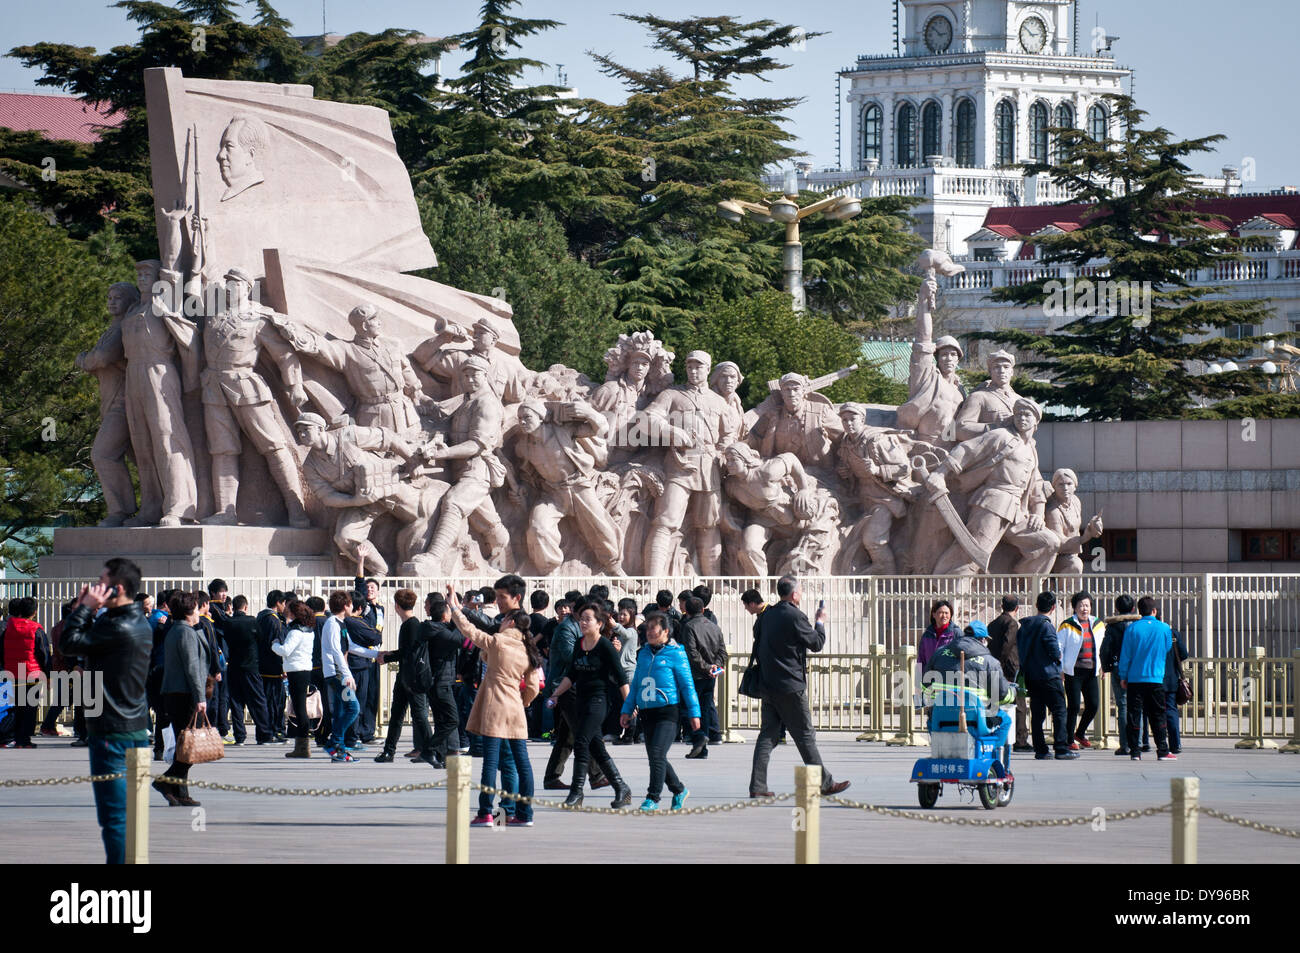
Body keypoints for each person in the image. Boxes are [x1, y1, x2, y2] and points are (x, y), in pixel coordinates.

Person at [59, 558, 153, 863]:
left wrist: (84, 607)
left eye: (102, 582)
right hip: (135, 726)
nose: (96, 588)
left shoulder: (117, 626)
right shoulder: (137, 621)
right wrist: (91, 610)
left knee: (115, 816)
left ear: (119, 587)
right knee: (134, 816)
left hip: (112, 731)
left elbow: (68, 643)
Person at [747, 575, 852, 798]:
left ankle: (757, 786)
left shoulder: (767, 616)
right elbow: (816, 643)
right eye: (801, 591)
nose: (801, 594)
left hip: (768, 684)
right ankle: (825, 783)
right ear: (794, 594)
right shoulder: (795, 615)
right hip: (790, 685)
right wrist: (820, 622)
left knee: (767, 735)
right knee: (805, 734)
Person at [446, 587, 541, 828]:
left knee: (491, 762)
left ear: (510, 623)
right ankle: (524, 814)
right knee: (522, 763)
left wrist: (455, 607)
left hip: (495, 707)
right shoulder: (528, 649)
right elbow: (532, 687)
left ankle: (486, 812)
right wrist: (524, 701)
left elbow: (469, 631)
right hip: (516, 710)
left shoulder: (498, 642)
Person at [547, 603, 632, 808]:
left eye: (588, 619)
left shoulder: (605, 646)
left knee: (581, 742)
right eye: (582, 619)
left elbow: (621, 678)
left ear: (600, 624)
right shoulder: (579, 643)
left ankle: (576, 793)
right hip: (580, 700)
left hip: (599, 701)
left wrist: (629, 707)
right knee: (595, 746)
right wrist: (556, 695)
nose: (583, 622)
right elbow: (571, 674)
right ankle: (621, 788)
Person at [621, 611, 700, 812]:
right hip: (647, 712)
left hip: (668, 712)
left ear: (665, 631)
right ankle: (679, 789)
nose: (648, 632)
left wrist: (694, 713)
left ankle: (652, 798)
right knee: (657, 757)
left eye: (653, 628)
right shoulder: (644, 653)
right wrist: (627, 709)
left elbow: (687, 686)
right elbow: (636, 684)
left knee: (656, 753)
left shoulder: (676, 653)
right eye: (647, 628)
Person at [541, 598, 609, 792]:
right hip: (564, 687)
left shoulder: (581, 629)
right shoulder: (566, 630)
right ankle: (596, 776)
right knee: (582, 732)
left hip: (575, 686)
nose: (590, 618)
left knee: (567, 736)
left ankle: (551, 777)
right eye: (588, 614)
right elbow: (573, 659)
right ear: (578, 612)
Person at [156, 591, 212, 807]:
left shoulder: (179, 629)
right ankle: (166, 782)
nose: (199, 612)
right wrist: (200, 697)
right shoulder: (185, 633)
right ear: (190, 611)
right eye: (197, 608)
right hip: (185, 695)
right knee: (189, 746)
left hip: (176, 693)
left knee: (185, 746)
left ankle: (180, 792)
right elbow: (192, 667)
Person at [376, 589, 435, 765]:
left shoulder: (412, 625)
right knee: (397, 715)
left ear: (396, 606)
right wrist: (390, 654)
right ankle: (389, 751)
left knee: (418, 715)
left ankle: (431, 751)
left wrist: (387, 657)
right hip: (406, 677)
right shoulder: (411, 624)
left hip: (412, 679)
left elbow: (409, 653)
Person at [1016, 591, 1076, 760]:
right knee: (1059, 710)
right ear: (1053, 607)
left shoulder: (1024, 626)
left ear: (1036, 605)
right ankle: (1061, 747)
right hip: (1049, 675)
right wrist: (1058, 657)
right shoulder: (1046, 625)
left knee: (1037, 714)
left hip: (1031, 676)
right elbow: (1054, 650)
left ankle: (1040, 749)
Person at [1117, 597, 1176, 761]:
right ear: (1155, 611)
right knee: (1158, 715)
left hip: (1135, 679)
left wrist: (1123, 675)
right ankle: (1163, 750)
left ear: (1138, 611)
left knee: (1134, 715)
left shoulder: (1132, 629)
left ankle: (1135, 751)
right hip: (1156, 678)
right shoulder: (1164, 628)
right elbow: (1167, 648)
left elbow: (1126, 655)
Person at [680, 595, 726, 758]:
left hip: (696, 675)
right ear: (703, 609)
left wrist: (706, 667)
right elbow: (722, 651)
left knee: (691, 709)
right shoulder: (714, 627)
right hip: (710, 676)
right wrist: (715, 666)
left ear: (687, 610)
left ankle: (699, 738)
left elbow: (691, 652)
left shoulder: (689, 626)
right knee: (705, 709)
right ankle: (702, 747)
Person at [1099, 595, 1144, 756]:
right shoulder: (1139, 625)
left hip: (1118, 668)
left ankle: (1125, 744)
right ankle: (1138, 742)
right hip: (1138, 669)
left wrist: (1106, 666)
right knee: (1138, 706)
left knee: (1123, 705)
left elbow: (1105, 649)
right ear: (1133, 608)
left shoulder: (1112, 627)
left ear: (1116, 609)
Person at [1057, 591, 1101, 750]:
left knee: (1093, 705)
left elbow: (1101, 647)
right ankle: (1069, 739)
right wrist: (1060, 668)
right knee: (1074, 705)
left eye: (1087, 605)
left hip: (1091, 672)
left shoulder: (1097, 624)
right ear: (1075, 608)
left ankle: (1080, 733)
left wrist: (1102, 666)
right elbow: (1059, 647)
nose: (1084, 609)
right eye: (1081, 605)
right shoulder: (1067, 624)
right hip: (1073, 672)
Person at [2, 597, 48, 748]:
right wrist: (48, 674)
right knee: (29, 708)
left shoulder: (8, 628)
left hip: (11, 674)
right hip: (31, 674)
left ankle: (11, 738)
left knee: (14, 707)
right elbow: (43, 654)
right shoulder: (36, 629)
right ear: (34, 612)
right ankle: (24, 740)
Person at [320, 591, 360, 763]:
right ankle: (334, 742)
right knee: (353, 708)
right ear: (346, 605)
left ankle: (339, 751)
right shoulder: (332, 623)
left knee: (341, 711)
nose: (353, 607)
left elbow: (351, 646)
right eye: (351, 604)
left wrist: (377, 653)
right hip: (337, 675)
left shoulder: (340, 623)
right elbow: (337, 650)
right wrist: (347, 675)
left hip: (338, 674)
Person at [274, 601, 316, 758]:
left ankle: (302, 747)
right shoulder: (308, 631)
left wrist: (275, 644)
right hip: (304, 669)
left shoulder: (295, 632)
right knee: (300, 707)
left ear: (294, 612)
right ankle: (302, 747)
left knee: (300, 709)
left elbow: (285, 650)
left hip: (296, 671)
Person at [986, 595, 1029, 751]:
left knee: (997, 702)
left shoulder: (992, 624)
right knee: (1018, 703)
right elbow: (1007, 645)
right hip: (1010, 667)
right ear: (1017, 608)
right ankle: (1020, 740)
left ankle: (998, 734)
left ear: (1001, 606)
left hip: (995, 667)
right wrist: (1001, 664)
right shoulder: (1011, 623)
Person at [256, 591, 288, 743]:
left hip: (262, 665)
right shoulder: (274, 621)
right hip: (273, 668)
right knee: (274, 701)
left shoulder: (261, 617)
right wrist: (282, 667)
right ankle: (274, 731)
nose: (284, 606)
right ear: (278, 603)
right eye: (283, 603)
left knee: (266, 700)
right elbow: (275, 645)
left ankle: (267, 731)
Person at [1162, 616, 1189, 756]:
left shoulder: (1147, 631)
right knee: (1171, 712)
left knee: (1148, 711)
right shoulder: (1172, 633)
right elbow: (1184, 654)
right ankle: (1175, 744)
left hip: (1150, 678)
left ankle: (1144, 743)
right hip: (1171, 679)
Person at [918, 600, 956, 672]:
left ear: (950, 615)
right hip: (929, 679)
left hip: (950, 679)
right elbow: (921, 659)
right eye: (940, 613)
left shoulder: (956, 634)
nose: (944, 616)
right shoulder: (927, 635)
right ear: (934, 614)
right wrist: (919, 677)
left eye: (946, 613)